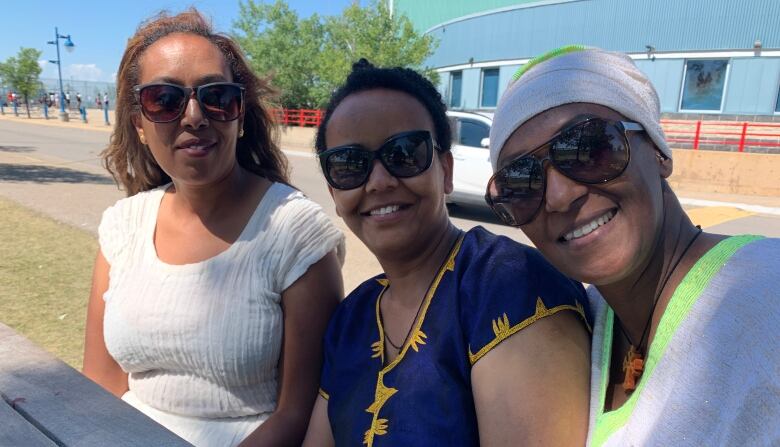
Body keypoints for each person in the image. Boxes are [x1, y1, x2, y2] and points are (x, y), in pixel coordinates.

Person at [487, 46, 780, 446]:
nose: (558, 196)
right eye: (521, 181)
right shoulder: (582, 323)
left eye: (590, 148)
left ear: (658, 151)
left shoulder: (767, 298)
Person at [82, 9, 345, 447]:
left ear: (240, 115)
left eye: (217, 96)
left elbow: (298, 414)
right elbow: (100, 381)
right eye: (163, 99)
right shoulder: (122, 228)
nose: (194, 116)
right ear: (139, 126)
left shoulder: (296, 233)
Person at [302, 59, 591, 447]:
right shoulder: (351, 317)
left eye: (404, 153)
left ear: (446, 171)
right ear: (335, 194)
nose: (380, 182)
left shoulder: (510, 285)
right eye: (349, 165)